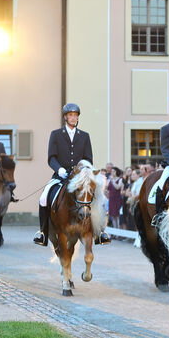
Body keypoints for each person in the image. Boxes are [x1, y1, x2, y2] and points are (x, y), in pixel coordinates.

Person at [33, 103, 110, 246]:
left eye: (75, 116)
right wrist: (60, 169)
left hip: (79, 178)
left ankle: (100, 232)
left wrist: (81, 168)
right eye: (70, 115)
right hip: (60, 176)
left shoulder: (85, 136)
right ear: (65, 117)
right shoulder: (55, 134)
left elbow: (88, 158)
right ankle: (42, 233)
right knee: (43, 198)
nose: (73, 118)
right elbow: (51, 157)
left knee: (98, 197)